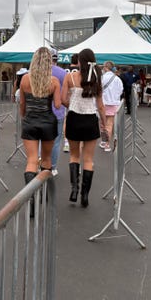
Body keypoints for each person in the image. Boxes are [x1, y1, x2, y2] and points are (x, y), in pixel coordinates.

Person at [19, 47, 62, 216]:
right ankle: (43, 193)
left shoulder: (24, 80)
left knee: (31, 160)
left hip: (30, 121)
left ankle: (30, 197)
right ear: (49, 62)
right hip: (47, 122)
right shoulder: (53, 82)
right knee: (46, 159)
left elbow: (22, 104)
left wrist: (24, 117)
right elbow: (58, 105)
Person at [61, 48, 106, 207]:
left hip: (74, 118)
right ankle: (85, 195)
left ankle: (74, 189)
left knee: (74, 155)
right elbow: (100, 106)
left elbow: (62, 99)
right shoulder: (96, 79)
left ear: (79, 61)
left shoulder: (70, 77)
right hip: (90, 119)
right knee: (88, 159)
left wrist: (72, 104)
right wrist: (104, 124)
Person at [100, 61, 124, 153]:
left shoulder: (102, 78)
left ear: (106, 68)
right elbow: (121, 90)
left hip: (103, 103)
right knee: (110, 124)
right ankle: (107, 144)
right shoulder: (117, 79)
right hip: (114, 103)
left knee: (102, 124)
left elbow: (98, 90)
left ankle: (103, 141)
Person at [49, 50, 66, 177]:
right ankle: (53, 167)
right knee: (56, 141)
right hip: (58, 110)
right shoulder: (62, 73)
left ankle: (40, 164)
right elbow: (65, 94)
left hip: (40, 111)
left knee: (40, 140)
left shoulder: (37, 72)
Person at [62, 53, 79, 153]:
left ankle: (66, 142)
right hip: (77, 97)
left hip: (67, 96)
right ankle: (75, 140)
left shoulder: (65, 70)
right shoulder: (80, 71)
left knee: (66, 120)